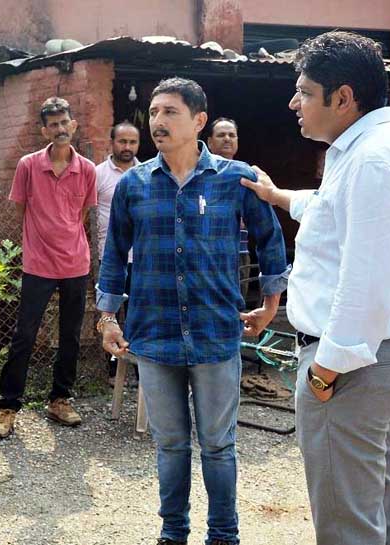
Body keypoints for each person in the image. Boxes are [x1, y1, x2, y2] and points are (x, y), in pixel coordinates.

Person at [241, 31, 390, 545]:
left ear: (343, 97)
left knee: (348, 524)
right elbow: (330, 213)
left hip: (350, 364)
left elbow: (368, 280)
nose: (293, 102)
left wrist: (325, 372)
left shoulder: (374, 161)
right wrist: (277, 195)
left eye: (303, 91)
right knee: (377, 503)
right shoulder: (362, 150)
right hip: (369, 359)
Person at [98, 77, 289, 545]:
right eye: (154, 112)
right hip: (154, 332)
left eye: (170, 113)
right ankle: (173, 531)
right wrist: (107, 316)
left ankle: (223, 534)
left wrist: (270, 304)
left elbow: (269, 240)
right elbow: (114, 251)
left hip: (214, 331)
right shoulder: (134, 185)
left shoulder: (234, 178)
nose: (157, 122)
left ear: (199, 120)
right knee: (169, 444)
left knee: (219, 445)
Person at [0, 96, 97, 439]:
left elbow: (82, 216)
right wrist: (39, 241)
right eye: (53, 124)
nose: (60, 129)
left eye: (65, 122)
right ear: (44, 130)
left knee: (70, 336)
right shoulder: (28, 166)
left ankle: (60, 400)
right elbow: (19, 213)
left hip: (75, 263)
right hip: (38, 264)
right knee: (25, 335)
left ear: (73, 125)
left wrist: (65, 240)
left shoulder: (88, 170)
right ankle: (8, 407)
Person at [95, 121, 140, 386]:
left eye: (132, 142)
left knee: (137, 314)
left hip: (142, 259)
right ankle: (112, 373)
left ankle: (138, 371)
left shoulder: (146, 173)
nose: (127, 147)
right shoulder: (99, 174)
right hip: (109, 258)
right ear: (112, 142)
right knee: (109, 315)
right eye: (122, 141)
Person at [205, 118, 252, 300]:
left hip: (239, 252)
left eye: (232, 135)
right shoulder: (200, 175)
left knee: (238, 309)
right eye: (221, 135)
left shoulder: (246, 174)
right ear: (209, 142)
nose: (227, 139)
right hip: (208, 254)